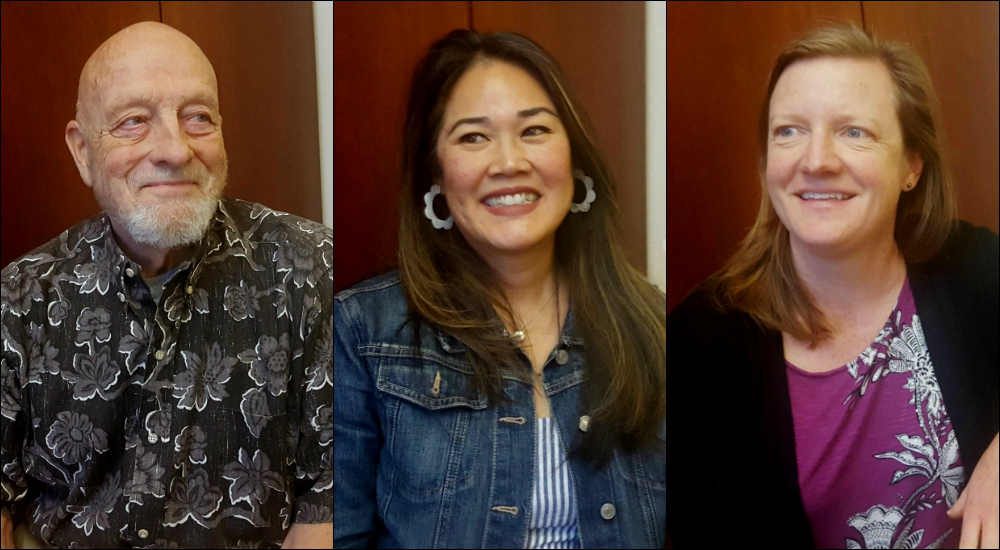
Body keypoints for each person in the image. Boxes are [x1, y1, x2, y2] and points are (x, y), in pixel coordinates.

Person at [0, 21, 333, 549]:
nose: (175, 150)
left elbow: (326, 502)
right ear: (83, 151)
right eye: (134, 122)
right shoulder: (18, 299)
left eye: (198, 117)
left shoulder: (312, 269)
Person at [666, 21, 998, 548]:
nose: (816, 160)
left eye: (854, 131)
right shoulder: (702, 344)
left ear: (912, 164)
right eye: (789, 131)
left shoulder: (970, 267)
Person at [333, 29, 667, 548]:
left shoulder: (656, 325)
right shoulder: (360, 331)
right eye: (473, 137)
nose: (509, 162)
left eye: (534, 130)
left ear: (574, 160)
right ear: (436, 176)